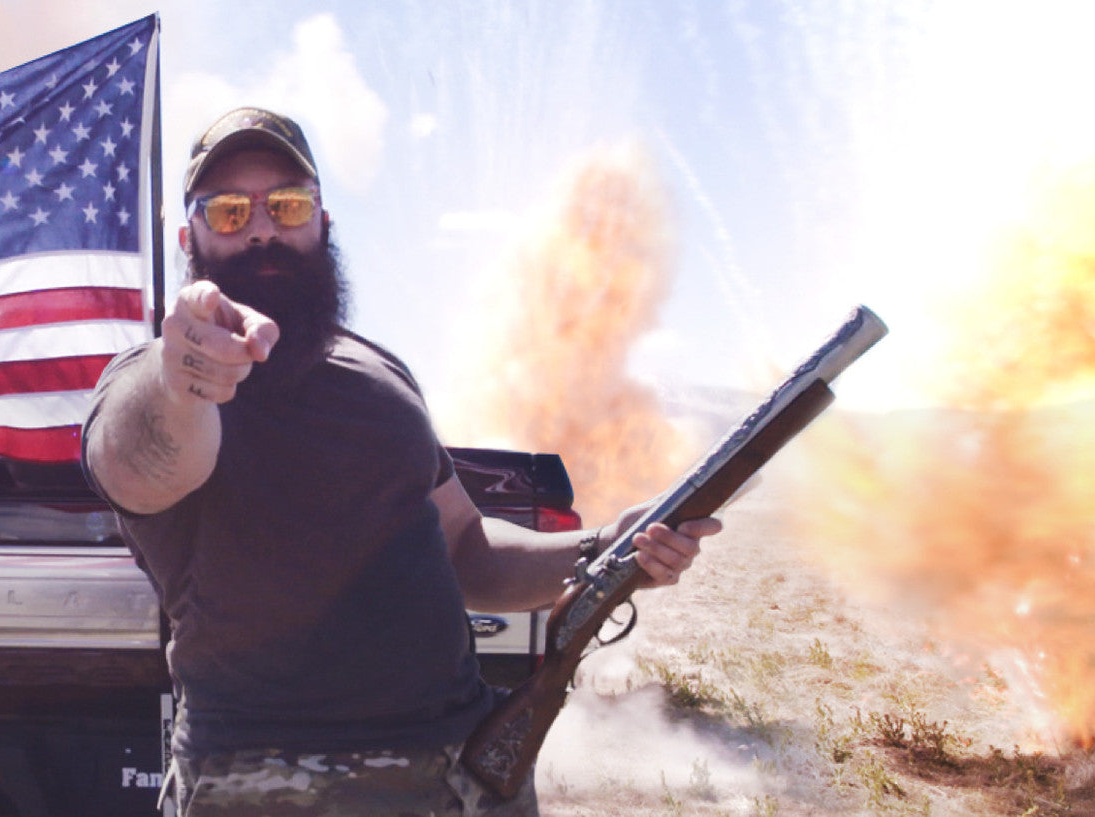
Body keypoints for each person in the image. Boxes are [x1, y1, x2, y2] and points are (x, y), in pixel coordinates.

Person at [80, 107, 722, 816]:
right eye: (228, 211)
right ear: (189, 237)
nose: (262, 226)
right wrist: (185, 381)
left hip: (463, 770)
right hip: (264, 783)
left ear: (323, 221)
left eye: (287, 204)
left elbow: (468, 548)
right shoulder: (153, 380)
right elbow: (139, 468)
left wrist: (606, 547)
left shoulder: (381, 371)